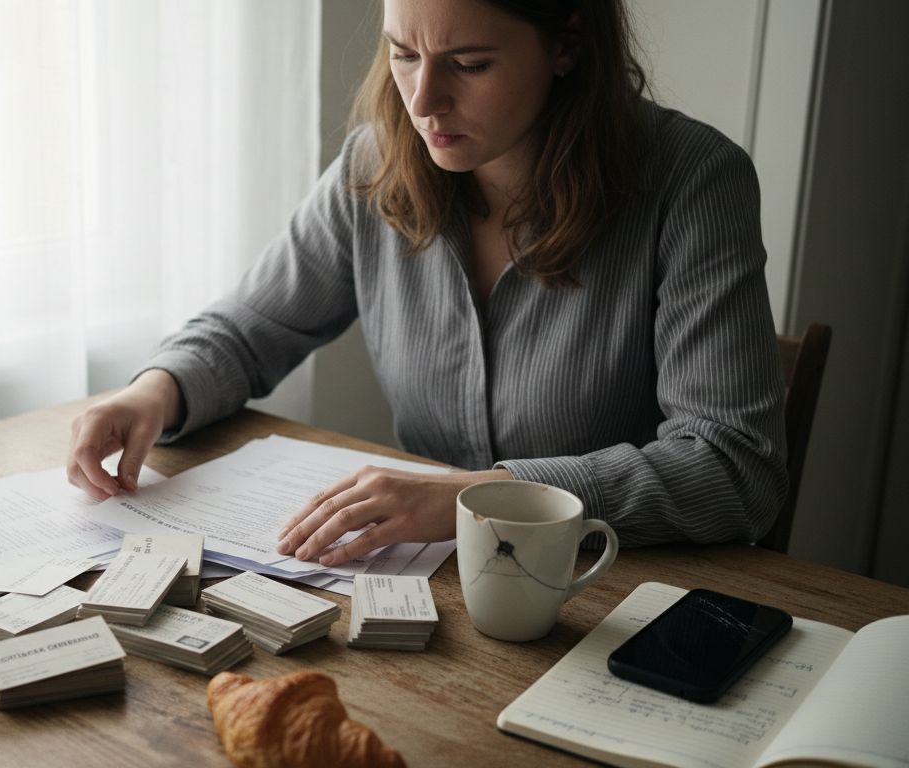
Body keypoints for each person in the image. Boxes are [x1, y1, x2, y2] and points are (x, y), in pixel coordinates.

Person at [66, 0, 786, 568]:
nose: (424, 99)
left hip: (609, 585)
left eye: (468, 64)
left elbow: (732, 468)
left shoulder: (693, 180)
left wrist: (481, 497)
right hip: (427, 585)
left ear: (566, 45)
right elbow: (250, 328)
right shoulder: (374, 165)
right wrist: (155, 389)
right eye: (402, 53)